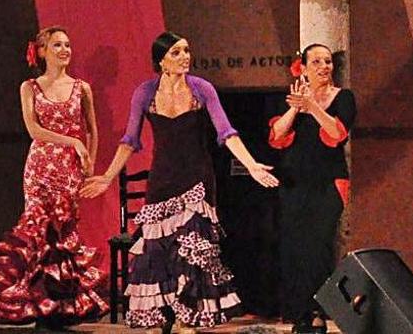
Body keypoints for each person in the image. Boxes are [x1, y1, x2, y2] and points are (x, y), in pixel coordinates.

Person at [80, 31, 278, 331]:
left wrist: (251, 166)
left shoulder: (202, 89)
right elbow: (129, 141)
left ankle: (188, 321)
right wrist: (107, 177)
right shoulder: (144, 93)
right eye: (176, 52)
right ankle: (167, 319)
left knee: (191, 251)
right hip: (163, 180)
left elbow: (226, 132)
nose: (185, 56)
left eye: (186, 50)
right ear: (161, 61)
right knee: (160, 252)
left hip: (197, 179)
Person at [0, 26, 109, 327]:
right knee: (36, 232)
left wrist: (90, 163)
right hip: (40, 167)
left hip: (69, 169)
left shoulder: (81, 87)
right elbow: (33, 130)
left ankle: (60, 305)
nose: (65, 50)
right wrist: (72, 141)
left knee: (62, 233)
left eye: (68, 44)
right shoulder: (30, 87)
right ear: (43, 50)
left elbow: (92, 129)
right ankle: (33, 303)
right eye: (58, 45)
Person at [269, 44, 356, 334]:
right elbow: (276, 136)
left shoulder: (344, 98)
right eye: (316, 61)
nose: (324, 66)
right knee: (295, 247)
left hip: (328, 184)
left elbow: (336, 134)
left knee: (319, 247)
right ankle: (300, 313)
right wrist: (296, 107)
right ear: (303, 67)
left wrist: (313, 106)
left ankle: (319, 311)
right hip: (295, 183)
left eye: (328, 61)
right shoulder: (294, 98)